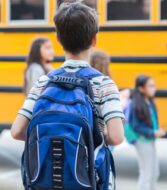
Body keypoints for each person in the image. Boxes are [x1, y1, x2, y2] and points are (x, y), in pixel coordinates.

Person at [11, 0, 124, 145]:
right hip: (89, 167)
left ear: (58, 39)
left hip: (47, 167)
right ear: (94, 40)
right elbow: (116, 137)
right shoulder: (104, 84)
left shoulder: (44, 82)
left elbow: (17, 131)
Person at [129, 75, 166, 190]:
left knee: (155, 173)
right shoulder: (136, 104)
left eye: (154, 85)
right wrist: (153, 132)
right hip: (142, 141)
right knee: (147, 174)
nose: (153, 88)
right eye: (150, 86)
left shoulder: (149, 102)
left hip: (150, 140)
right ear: (141, 88)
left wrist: (155, 131)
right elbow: (136, 127)